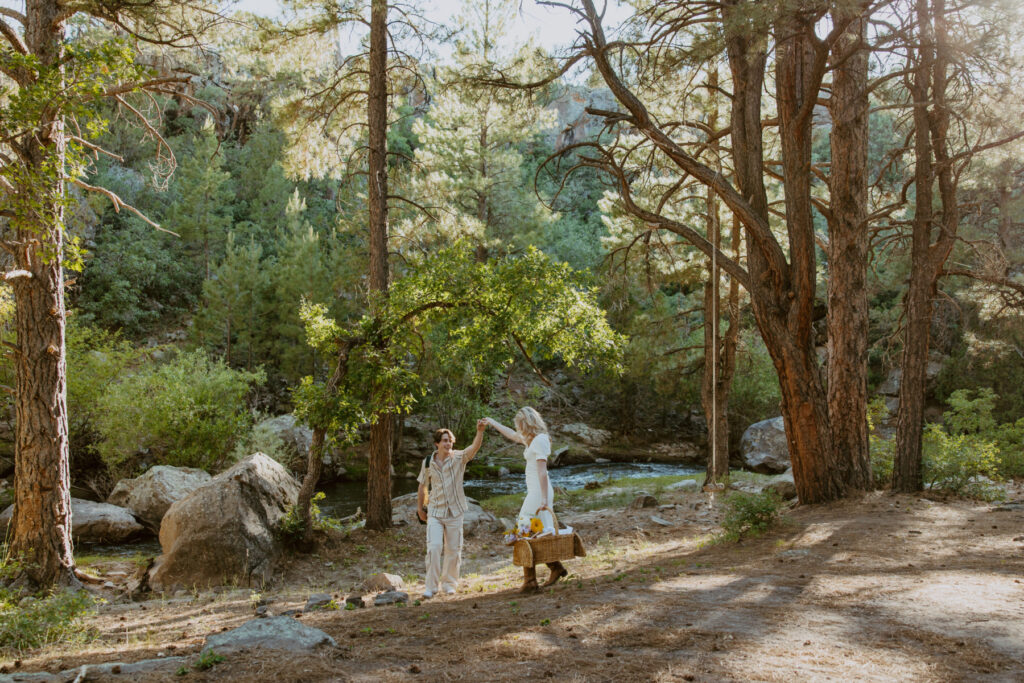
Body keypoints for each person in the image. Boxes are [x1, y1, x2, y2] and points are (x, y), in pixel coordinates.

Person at [484, 407, 567, 593]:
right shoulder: (531, 439)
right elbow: (513, 435)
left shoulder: (540, 440)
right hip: (535, 491)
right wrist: (492, 422)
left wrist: (544, 499)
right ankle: (555, 567)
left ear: (528, 423)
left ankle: (531, 580)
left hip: (539, 493)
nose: (519, 428)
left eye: (521, 424)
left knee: (524, 529)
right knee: (536, 532)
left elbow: (542, 472)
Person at [416, 420, 487, 599]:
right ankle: (431, 587)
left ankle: (449, 584)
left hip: (455, 511)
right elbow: (422, 486)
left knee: (453, 550)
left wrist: (480, 431)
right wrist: (420, 509)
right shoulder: (427, 462)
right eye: (444, 440)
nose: (448, 444)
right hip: (435, 512)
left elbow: (474, 448)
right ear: (437, 443)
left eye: (450, 441)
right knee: (434, 548)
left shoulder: (458, 458)